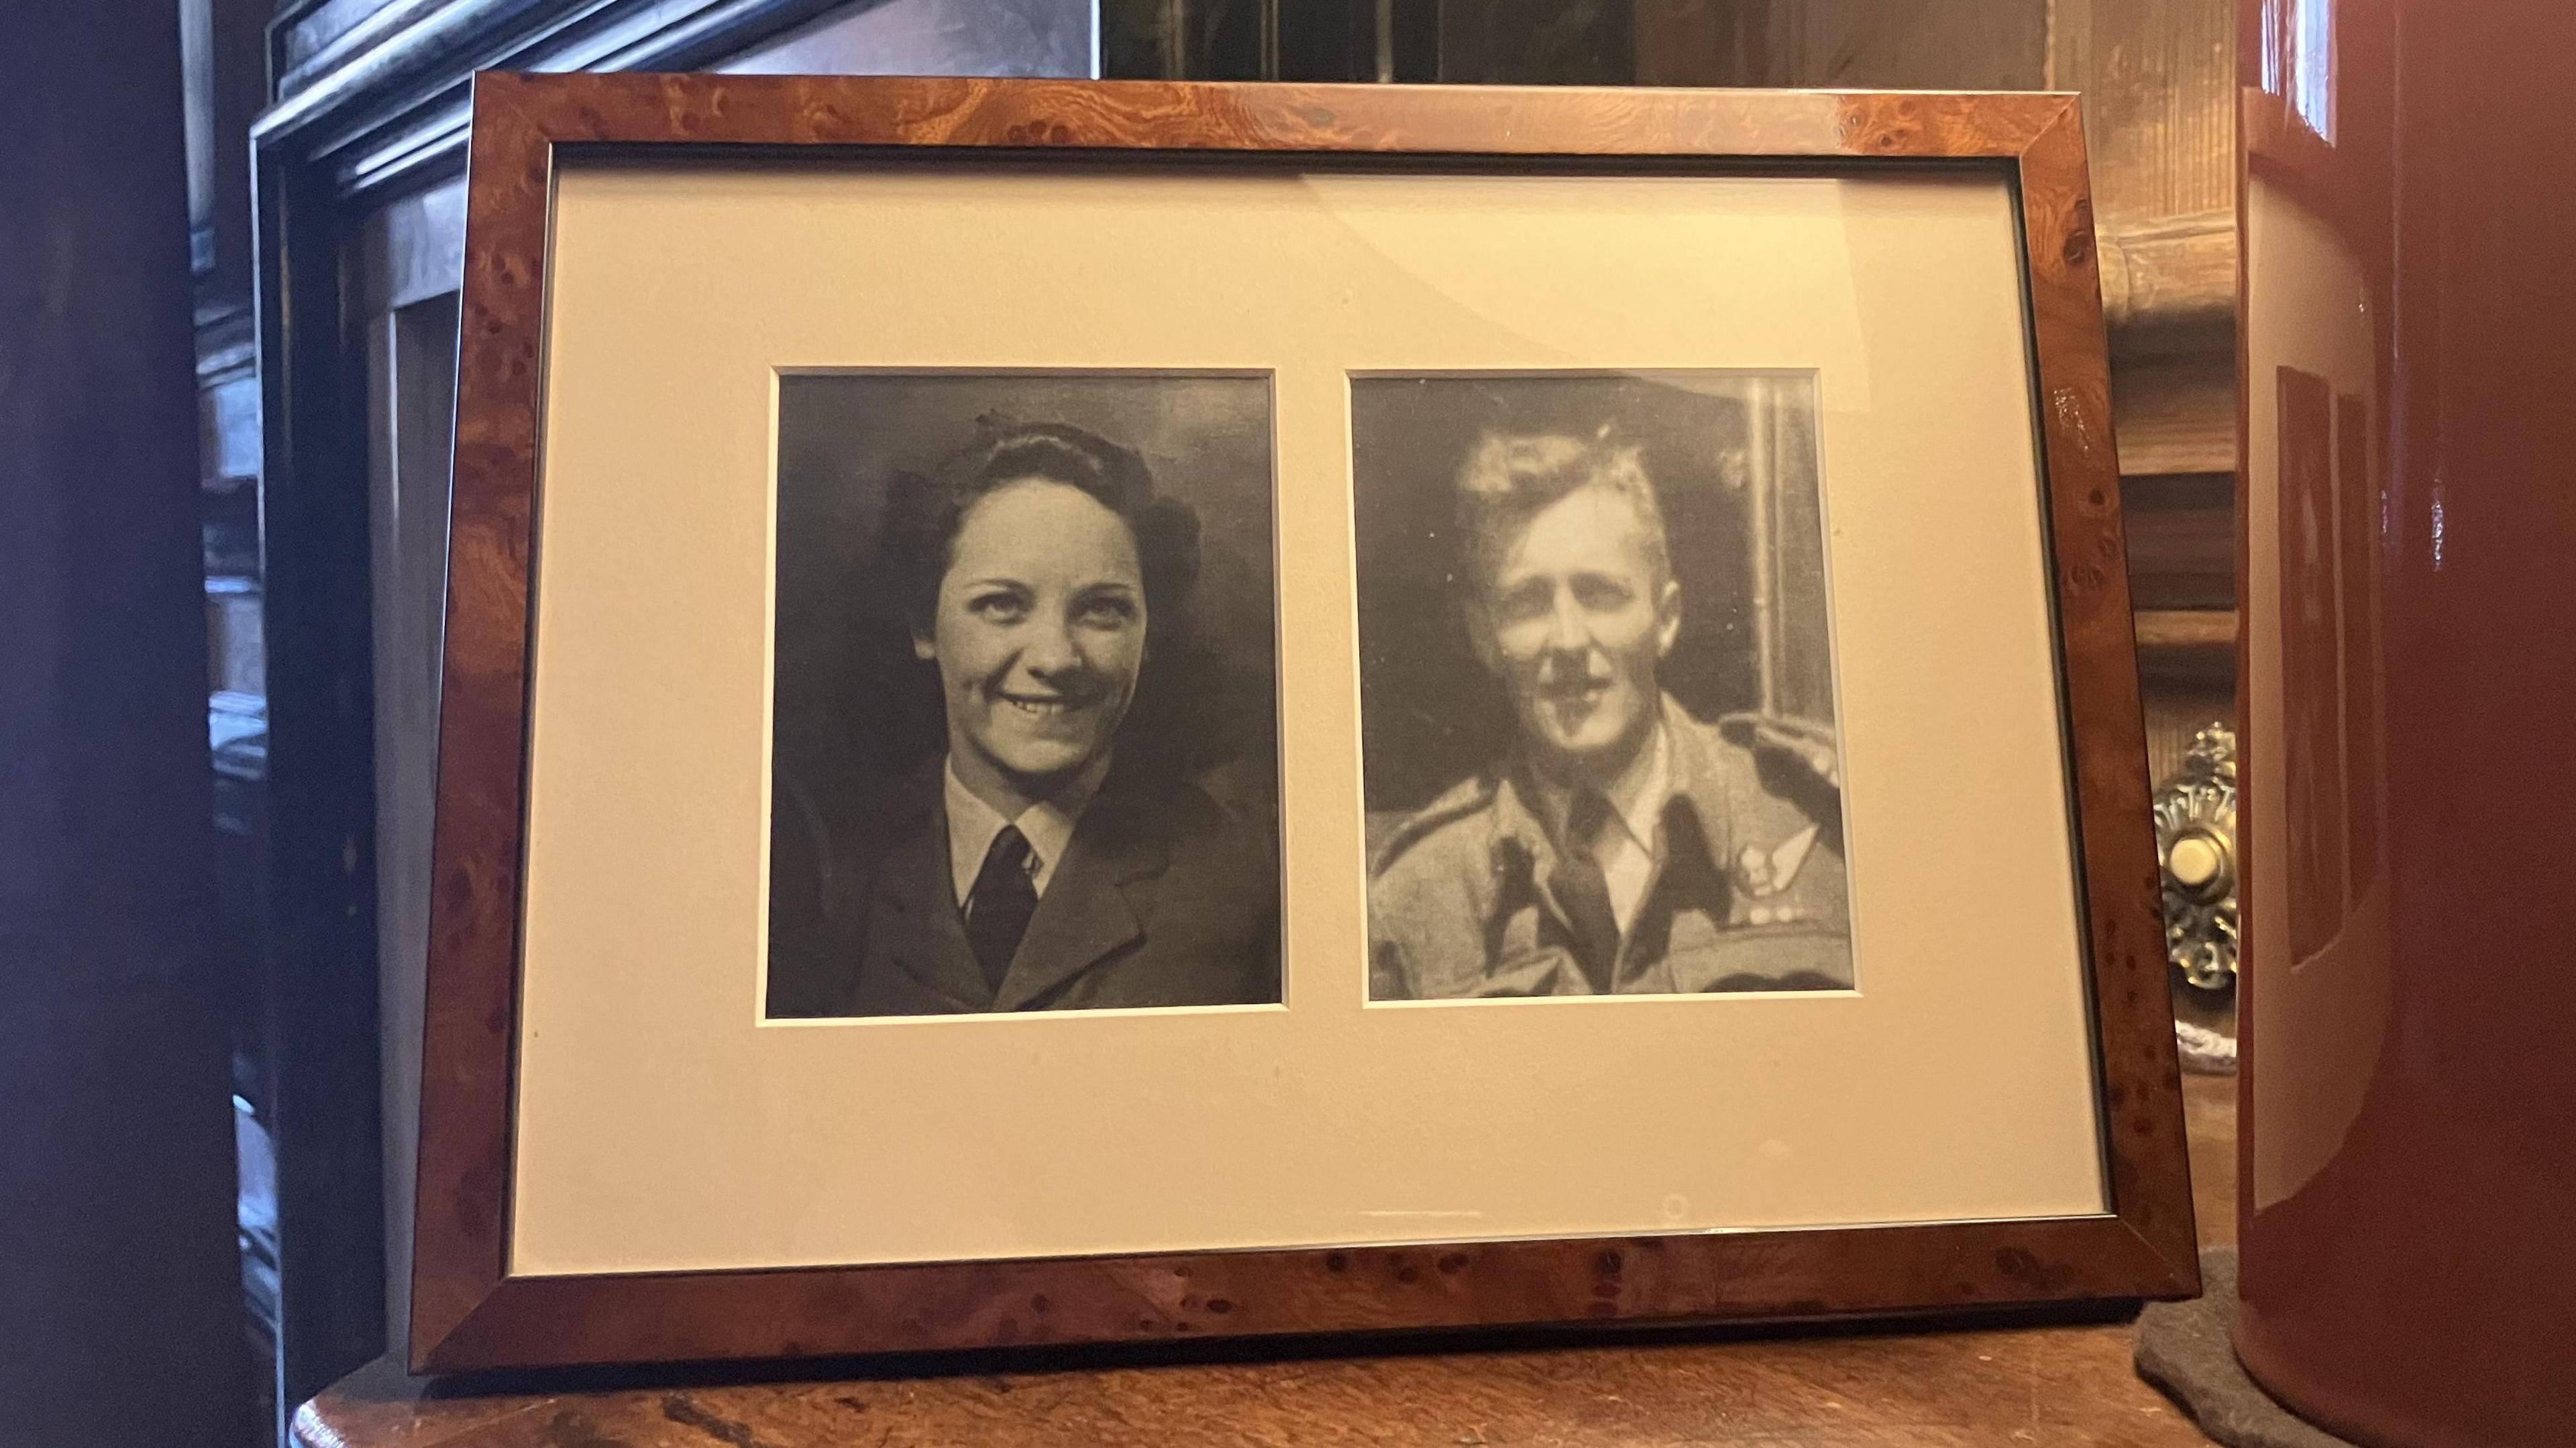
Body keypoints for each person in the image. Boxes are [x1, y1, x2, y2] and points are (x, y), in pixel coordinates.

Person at [1368, 430, 1852, 999]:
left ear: (1666, 618)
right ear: (1484, 636)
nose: (1569, 640)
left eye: (1600, 594)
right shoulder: (1420, 895)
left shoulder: (1818, 821)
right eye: (1528, 603)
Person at [828, 422, 1279, 1015]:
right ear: (923, 625)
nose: (1057, 658)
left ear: (1149, 634)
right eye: (1002, 604)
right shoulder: (828, 873)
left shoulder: (1250, 884)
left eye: (1102, 610)